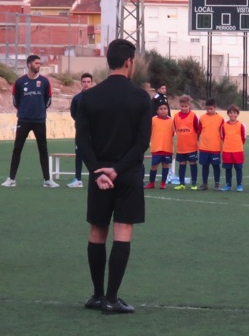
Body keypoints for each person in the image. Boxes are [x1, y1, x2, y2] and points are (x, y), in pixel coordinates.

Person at [74, 38, 152, 315]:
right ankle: (111, 298)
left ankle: (96, 295)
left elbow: (82, 142)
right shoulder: (141, 97)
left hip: (99, 176)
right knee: (122, 231)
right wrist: (117, 170)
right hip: (127, 173)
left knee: (97, 231)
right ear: (129, 63)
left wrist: (98, 170)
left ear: (108, 62)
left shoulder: (88, 97)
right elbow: (142, 142)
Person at [2, 54, 57, 188]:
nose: (39, 65)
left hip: (39, 120)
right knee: (17, 148)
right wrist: (25, 111)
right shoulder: (20, 82)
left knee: (43, 148)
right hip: (24, 120)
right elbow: (16, 101)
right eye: (36, 63)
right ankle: (11, 179)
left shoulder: (45, 82)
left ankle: (47, 180)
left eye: (39, 63)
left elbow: (48, 100)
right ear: (29, 65)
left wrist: (39, 110)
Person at [67, 72, 95, 188]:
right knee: (79, 154)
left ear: (92, 83)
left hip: (94, 132)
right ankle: (78, 179)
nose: (86, 84)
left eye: (88, 82)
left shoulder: (96, 97)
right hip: (81, 132)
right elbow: (73, 114)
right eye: (84, 82)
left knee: (95, 155)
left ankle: (95, 177)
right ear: (81, 83)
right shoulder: (77, 98)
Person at [172, 94, 200, 190]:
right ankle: (182, 183)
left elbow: (197, 130)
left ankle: (194, 184)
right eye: (182, 106)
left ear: (189, 105)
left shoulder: (193, 116)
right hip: (181, 146)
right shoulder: (176, 116)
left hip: (191, 146)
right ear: (180, 105)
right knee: (182, 164)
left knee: (193, 163)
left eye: (186, 106)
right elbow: (175, 129)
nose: (184, 108)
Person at [145, 102, 174, 190]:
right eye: (161, 109)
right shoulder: (153, 120)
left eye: (165, 109)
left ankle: (163, 183)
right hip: (156, 147)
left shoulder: (171, 121)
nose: (163, 111)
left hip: (167, 148)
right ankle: (151, 183)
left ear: (167, 110)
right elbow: (148, 132)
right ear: (157, 111)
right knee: (154, 166)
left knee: (165, 165)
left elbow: (173, 133)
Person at [197, 98, 223, 190]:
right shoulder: (202, 118)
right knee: (205, 166)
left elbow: (222, 133)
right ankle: (205, 184)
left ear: (215, 107)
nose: (209, 110)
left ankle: (217, 184)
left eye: (211, 108)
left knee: (216, 166)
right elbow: (198, 131)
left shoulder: (220, 119)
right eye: (207, 109)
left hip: (215, 147)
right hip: (204, 147)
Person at [220, 105, 246, 192]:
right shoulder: (224, 125)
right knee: (228, 169)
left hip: (238, 151)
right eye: (231, 113)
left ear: (237, 114)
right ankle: (228, 185)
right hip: (227, 151)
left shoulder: (241, 125)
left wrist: (237, 145)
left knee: (238, 168)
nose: (232, 114)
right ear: (228, 114)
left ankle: (239, 185)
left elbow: (243, 138)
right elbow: (223, 137)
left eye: (234, 113)